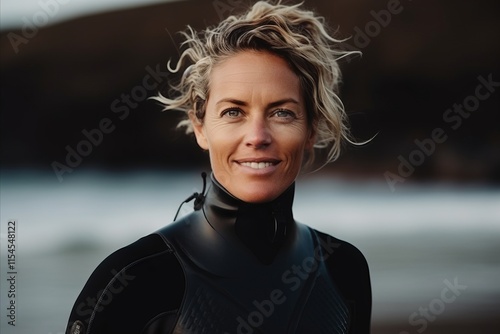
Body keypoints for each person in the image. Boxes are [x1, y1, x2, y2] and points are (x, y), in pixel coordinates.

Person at [65, 1, 371, 333]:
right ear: (200, 126)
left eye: (282, 112)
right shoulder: (131, 280)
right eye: (233, 112)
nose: (257, 136)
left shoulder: (343, 269)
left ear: (311, 129)